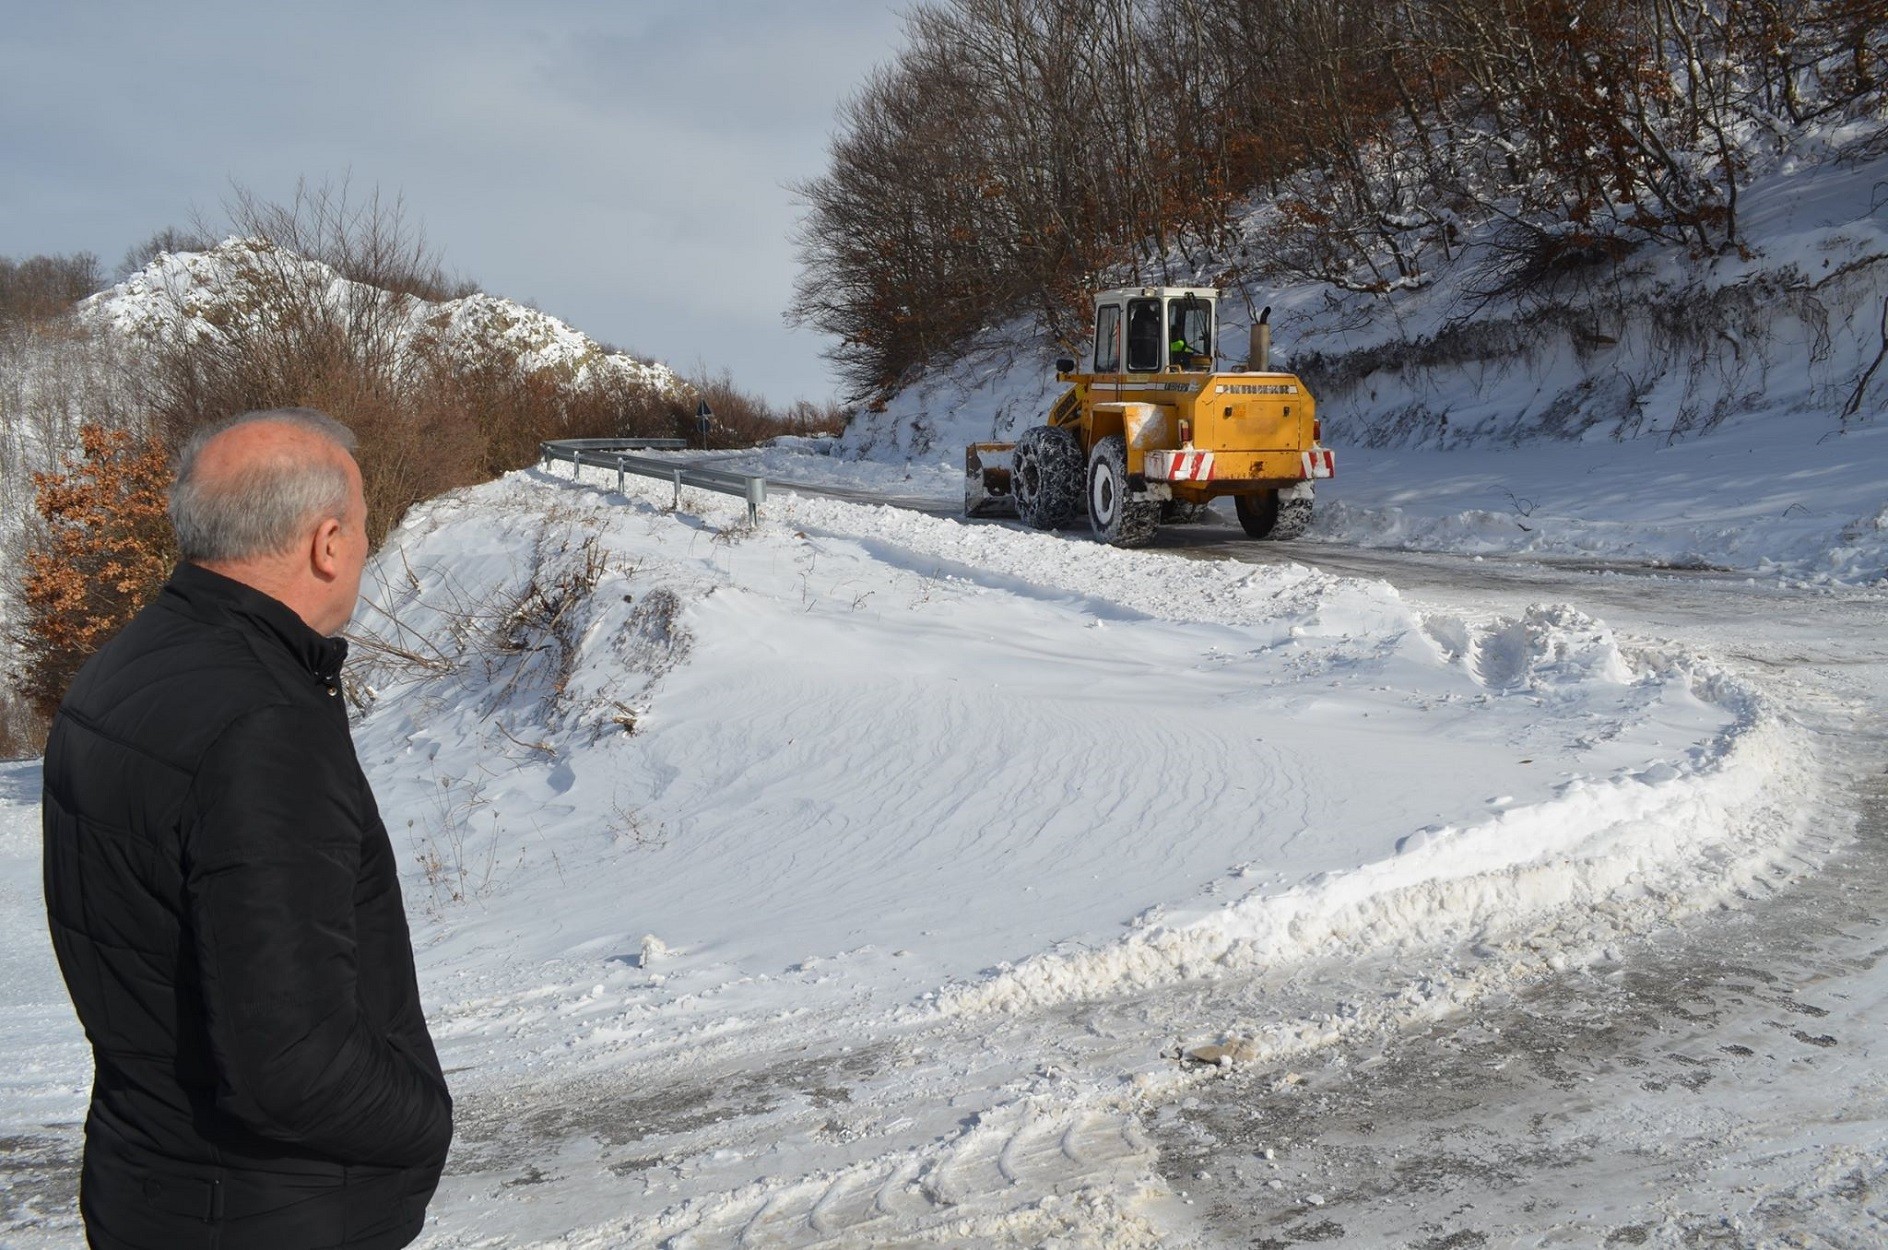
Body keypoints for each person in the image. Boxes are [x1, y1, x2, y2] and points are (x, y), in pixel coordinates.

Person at [42, 408, 453, 1250]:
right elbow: (293, 1068)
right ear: (326, 543)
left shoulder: (123, 666)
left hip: (149, 1185)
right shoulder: (263, 722)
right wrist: (424, 1122)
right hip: (271, 1210)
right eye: (366, 527)